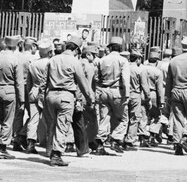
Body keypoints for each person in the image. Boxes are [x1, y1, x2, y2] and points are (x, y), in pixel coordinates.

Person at [43, 37, 94, 167]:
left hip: (50, 94)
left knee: (53, 124)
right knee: (62, 125)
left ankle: (50, 149)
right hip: (66, 96)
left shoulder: (53, 59)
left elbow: (45, 80)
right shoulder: (74, 61)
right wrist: (89, 99)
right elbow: (82, 83)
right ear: (77, 49)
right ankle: (56, 155)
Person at [0, 34, 26, 155]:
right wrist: (22, 99)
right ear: (16, 46)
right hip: (9, 91)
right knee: (8, 120)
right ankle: (2, 148)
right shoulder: (15, 60)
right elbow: (19, 82)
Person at [94, 36, 130, 154]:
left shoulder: (102, 60)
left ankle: (100, 142)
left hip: (103, 90)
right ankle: (115, 139)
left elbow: (96, 77)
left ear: (110, 47)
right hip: (117, 91)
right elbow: (125, 79)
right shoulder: (123, 61)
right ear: (120, 48)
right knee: (123, 118)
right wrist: (127, 94)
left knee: (105, 118)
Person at [125, 49, 150, 150]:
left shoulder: (125, 67)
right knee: (134, 118)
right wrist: (147, 98)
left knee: (124, 117)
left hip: (124, 95)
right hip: (135, 95)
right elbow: (144, 85)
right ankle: (130, 139)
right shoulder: (140, 70)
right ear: (138, 59)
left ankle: (121, 137)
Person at [142, 47, 165, 147]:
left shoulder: (142, 68)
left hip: (142, 94)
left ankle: (142, 137)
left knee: (144, 116)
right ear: (156, 61)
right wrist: (162, 101)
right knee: (156, 117)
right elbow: (160, 89)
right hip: (154, 94)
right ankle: (152, 136)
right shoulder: (158, 72)